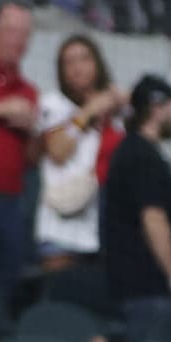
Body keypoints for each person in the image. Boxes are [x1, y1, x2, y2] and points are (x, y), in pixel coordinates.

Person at [100, 75, 171, 342]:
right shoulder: (141, 156)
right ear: (157, 108)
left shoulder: (142, 153)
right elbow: (154, 222)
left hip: (143, 294)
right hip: (146, 294)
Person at [32, 34, 126, 272]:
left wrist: (123, 106)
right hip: (63, 224)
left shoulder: (115, 110)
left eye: (84, 59)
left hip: (106, 221)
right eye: (68, 62)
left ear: (97, 63)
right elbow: (58, 151)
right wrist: (87, 113)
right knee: (61, 296)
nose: (77, 68)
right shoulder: (53, 104)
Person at [0, 1, 35, 307]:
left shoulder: (28, 92)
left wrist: (32, 132)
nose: (18, 40)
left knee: (3, 296)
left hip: (9, 205)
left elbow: (30, 159)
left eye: (25, 33)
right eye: (12, 30)